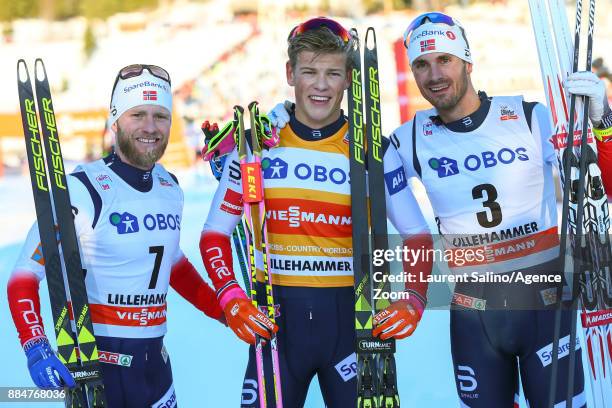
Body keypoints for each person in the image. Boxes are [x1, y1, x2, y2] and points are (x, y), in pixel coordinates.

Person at [199, 17, 433, 407]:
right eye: (309, 71)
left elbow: (418, 236)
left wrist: (414, 298)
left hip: (354, 323)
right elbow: (214, 234)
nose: (321, 85)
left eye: (332, 73)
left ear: (348, 79)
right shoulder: (258, 141)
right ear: (290, 73)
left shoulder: (371, 148)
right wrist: (231, 296)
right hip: (276, 324)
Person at [387, 11, 612, 407]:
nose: (434, 74)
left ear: (468, 62)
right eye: (421, 64)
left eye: (445, 59)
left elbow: (603, 185)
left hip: (544, 306)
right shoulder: (407, 141)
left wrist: (604, 121)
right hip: (474, 316)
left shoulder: (530, 117)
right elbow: (348, 174)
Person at [8, 64, 223, 407]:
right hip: (97, 372)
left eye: (160, 115)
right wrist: (35, 346)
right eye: (137, 114)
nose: (150, 127)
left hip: (157, 372)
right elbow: (23, 278)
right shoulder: (80, 190)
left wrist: (224, 310)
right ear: (115, 121)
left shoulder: (170, 187)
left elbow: (173, 264)